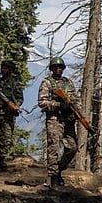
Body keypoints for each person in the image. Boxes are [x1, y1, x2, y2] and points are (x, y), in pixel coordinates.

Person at [37, 57, 79, 187]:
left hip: (68, 120)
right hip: (54, 119)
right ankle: (53, 177)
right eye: (55, 67)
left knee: (72, 148)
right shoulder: (47, 83)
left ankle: (59, 169)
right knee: (53, 148)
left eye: (60, 67)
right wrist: (59, 105)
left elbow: (76, 100)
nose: (58, 69)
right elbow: (42, 103)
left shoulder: (68, 83)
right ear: (52, 69)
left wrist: (75, 112)